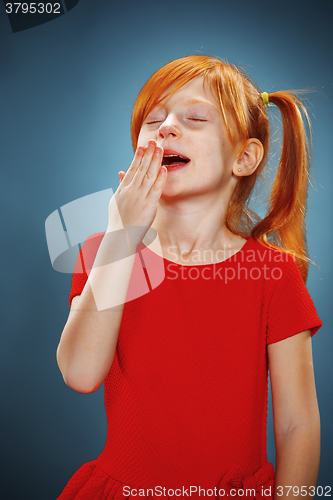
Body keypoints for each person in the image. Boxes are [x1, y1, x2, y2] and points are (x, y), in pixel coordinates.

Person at [56, 55, 322, 500]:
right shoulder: (106, 254)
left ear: (244, 157)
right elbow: (80, 373)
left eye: (195, 117)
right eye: (152, 119)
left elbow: (298, 425)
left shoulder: (272, 273)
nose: (165, 128)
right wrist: (122, 237)